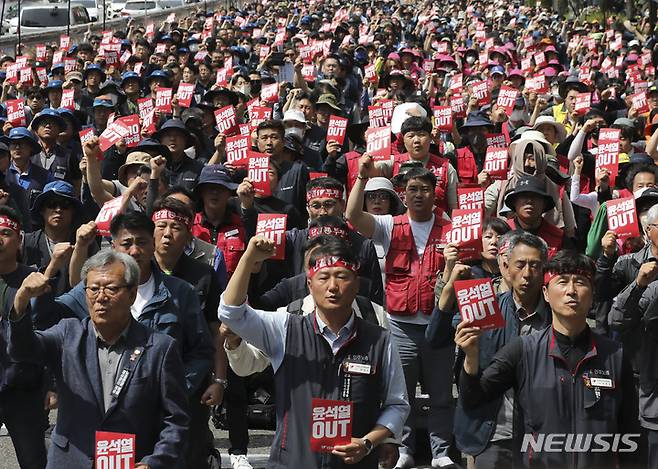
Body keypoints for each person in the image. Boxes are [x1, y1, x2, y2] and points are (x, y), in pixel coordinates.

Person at [219, 235, 410, 469]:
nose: (333, 286)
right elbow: (230, 312)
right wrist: (248, 259)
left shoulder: (379, 338)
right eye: (323, 277)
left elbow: (397, 404)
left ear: (357, 283)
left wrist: (367, 443)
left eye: (342, 276)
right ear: (309, 285)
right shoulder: (286, 327)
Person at [7, 249, 190, 469]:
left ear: (132, 293)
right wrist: (21, 302)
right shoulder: (67, 334)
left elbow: (177, 420)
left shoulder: (160, 347)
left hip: (131, 462)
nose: (101, 297)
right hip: (71, 460)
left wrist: (155, 462)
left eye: (111, 288)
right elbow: (24, 351)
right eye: (93, 289)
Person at [455, 250, 637, 468]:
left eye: (580, 282)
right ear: (546, 293)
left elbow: (631, 431)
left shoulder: (615, 355)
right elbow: (473, 398)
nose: (571, 291)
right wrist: (471, 357)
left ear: (593, 295)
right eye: (562, 282)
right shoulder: (523, 350)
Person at [346, 160, 456, 469]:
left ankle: (441, 452)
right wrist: (362, 178)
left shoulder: (452, 229)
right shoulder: (390, 226)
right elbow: (353, 216)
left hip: (439, 324)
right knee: (400, 394)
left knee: (441, 395)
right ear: (402, 195)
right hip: (400, 326)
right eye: (412, 190)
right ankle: (403, 450)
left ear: (435, 194)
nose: (419, 195)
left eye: (425, 189)